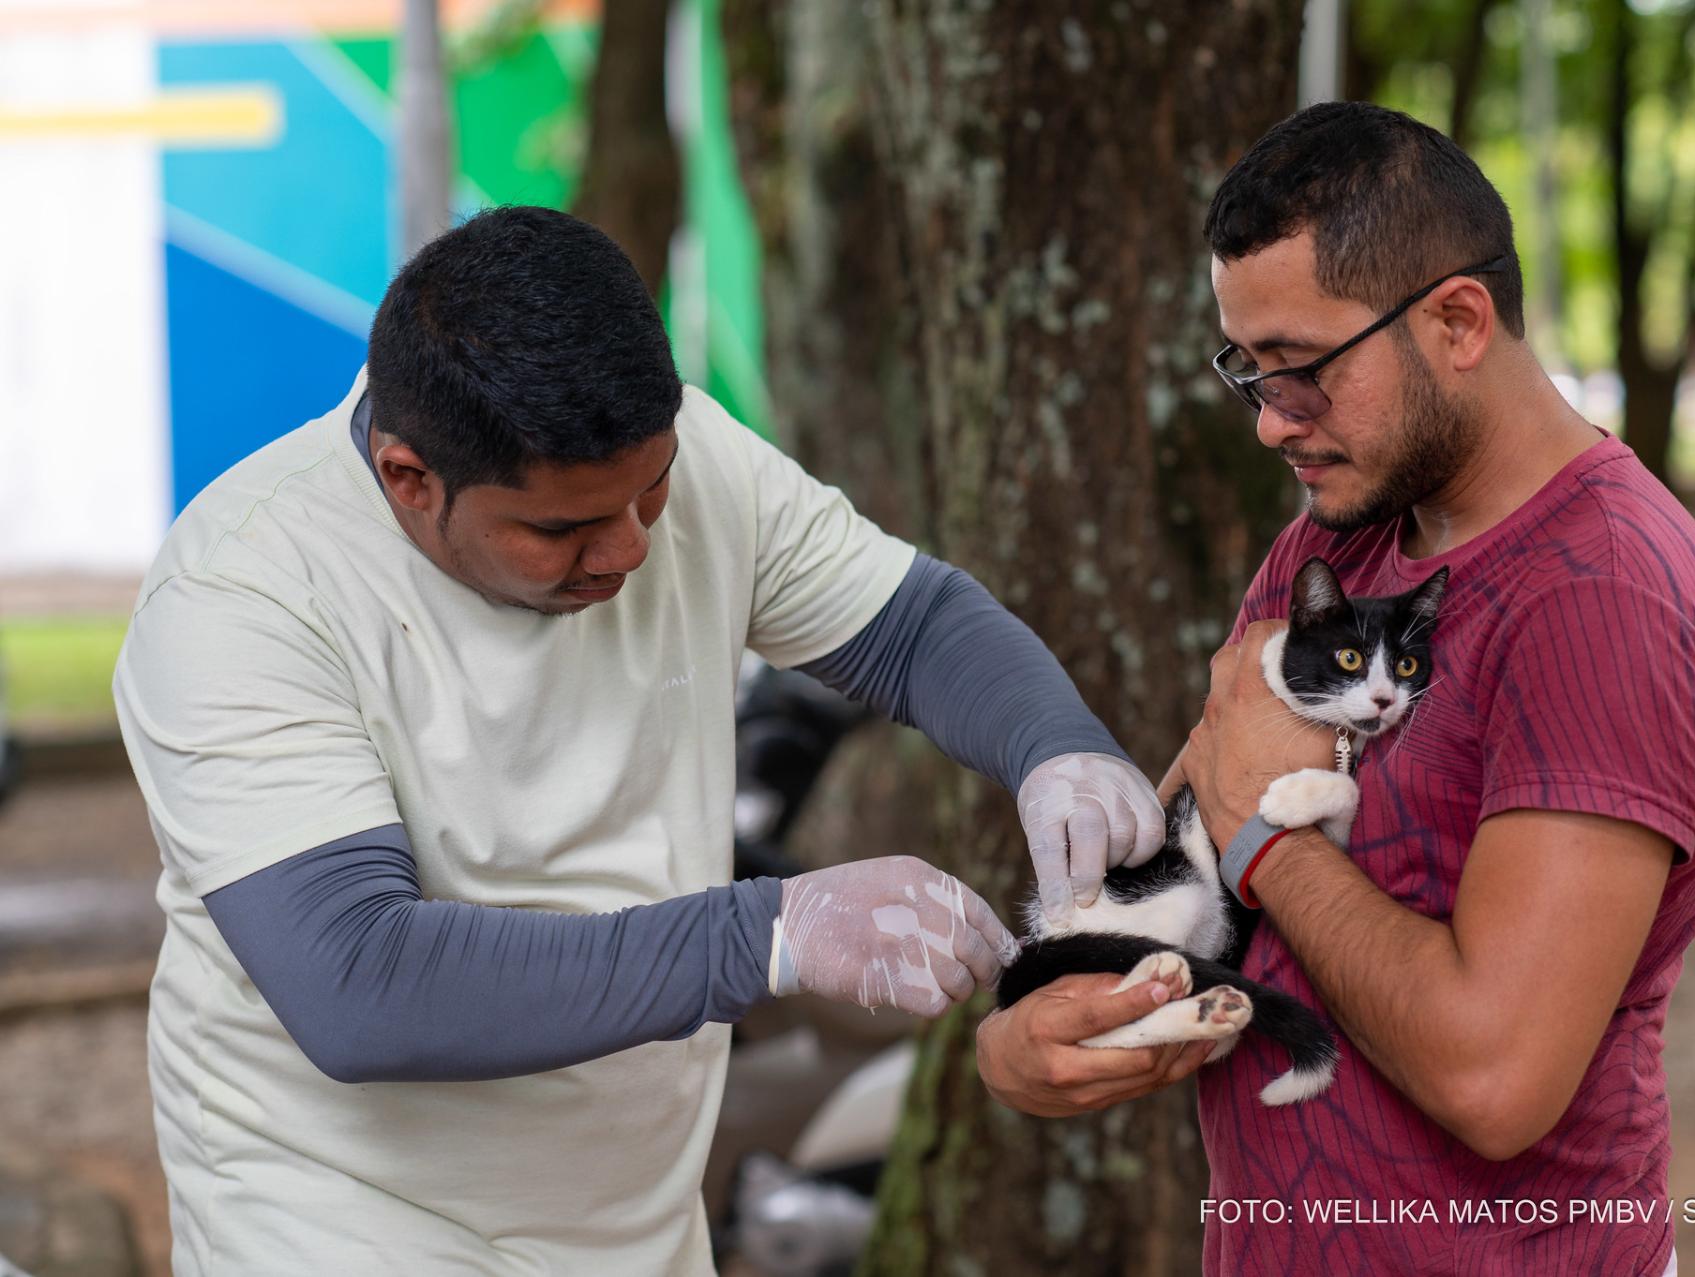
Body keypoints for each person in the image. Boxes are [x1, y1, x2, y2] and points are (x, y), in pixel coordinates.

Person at [111, 206, 1182, 1275]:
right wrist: (773, 931)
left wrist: (1055, 746)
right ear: (409, 478)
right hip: (344, 1218)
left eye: (652, 492)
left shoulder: (692, 457)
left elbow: (914, 625)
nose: (630, 547)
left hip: (637, 1217)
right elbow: (360, 981)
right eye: (562, 528)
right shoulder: (242, 593)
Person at [976, 102, 1695, 1277]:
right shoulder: (1340, 541)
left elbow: (1496, 1078)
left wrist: (1267, 845)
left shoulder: (1606, 596)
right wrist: (1032, 1030)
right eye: (1247, 368)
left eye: (1304, 371)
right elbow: (1189, 831)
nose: (1271, 422)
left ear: (1456, 320)